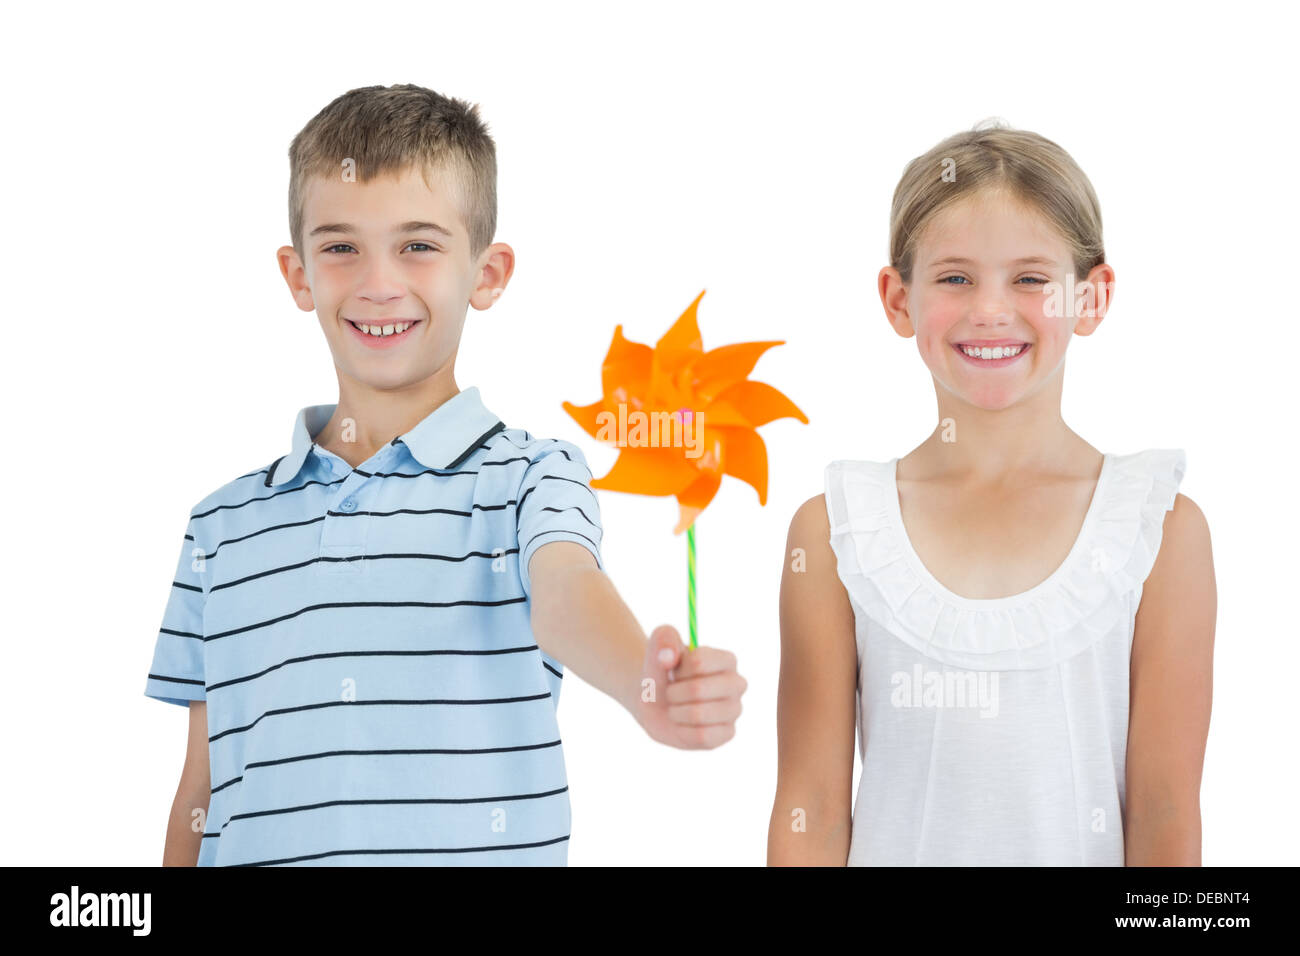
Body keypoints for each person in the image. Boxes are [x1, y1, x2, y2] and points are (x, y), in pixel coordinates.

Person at [144, 83, 746, 866]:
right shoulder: (220, 527)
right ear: (298, 275)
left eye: (418, 245)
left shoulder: (533, 477)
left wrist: (643, 678)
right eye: (340, 247)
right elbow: (201, 788)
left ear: (487, 273)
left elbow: (564, 593)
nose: (377, 282)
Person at [768, 122, 1216, 866]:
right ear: (897, 297)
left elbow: (1166, 813)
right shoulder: (834, 530)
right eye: (955, 277)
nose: (990, 310)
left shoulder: (1160, 528)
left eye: (1031, 278)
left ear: (1092, 297)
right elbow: (810, 808)